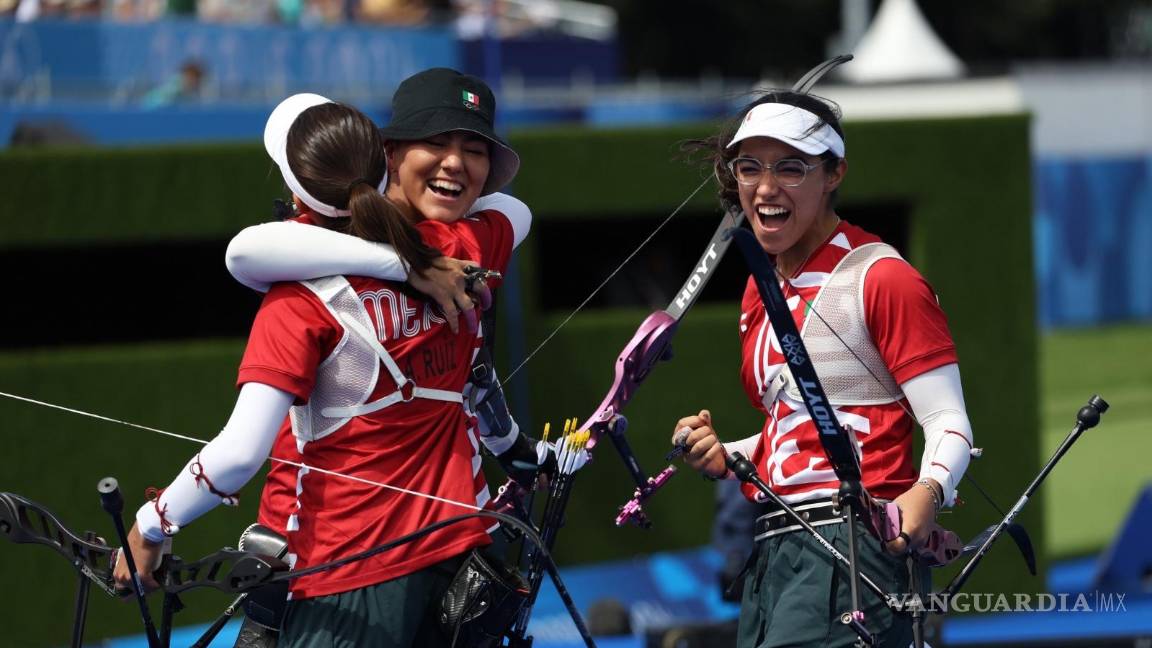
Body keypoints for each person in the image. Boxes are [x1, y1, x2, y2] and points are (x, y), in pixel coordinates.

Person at [113, 90, 528, 648]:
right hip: (457, 560)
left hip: (343, 575)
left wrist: (152, 523)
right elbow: (514, 210)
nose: (454, 162)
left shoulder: (299, 297)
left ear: (295, 190)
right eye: (435, 144)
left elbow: (238, 453)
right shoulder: (464, 251)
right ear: (386, 163)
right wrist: (412, 261)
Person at [671, 91, 975, 648]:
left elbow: (951, 422)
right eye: (750, 167)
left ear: (834, 174)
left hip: (856, 547)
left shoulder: (882, 276)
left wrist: (926, 494)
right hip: (775, 549)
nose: (766, 188)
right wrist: (727, 454)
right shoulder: (757, 293)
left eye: (791, 167)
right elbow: (796, 432)